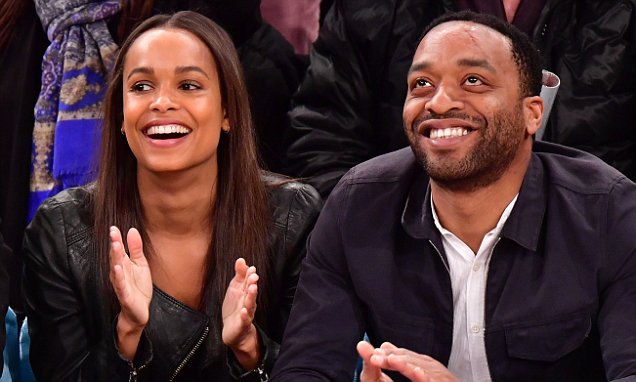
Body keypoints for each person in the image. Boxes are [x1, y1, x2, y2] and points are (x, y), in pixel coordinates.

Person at [270, 11, 636, 381]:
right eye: (422, 84)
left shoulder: (610, 213)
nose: (439, 103)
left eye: (473, 81)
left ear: (532, 114)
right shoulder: (357, 206)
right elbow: (305, 368)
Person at [22, 11, 322, 381]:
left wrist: (249, 348)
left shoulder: (295, 217)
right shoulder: (61, 231)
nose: (161, 103)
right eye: (142, 87)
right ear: (119, 113)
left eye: (189, 86)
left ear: (228, 110)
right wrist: (126, 336)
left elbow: (317, 369)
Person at [284, 0, 636, 198]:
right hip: (407, 269)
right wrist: (390, 240)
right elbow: (324, 141)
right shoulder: (370, 10)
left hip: (594, 265)